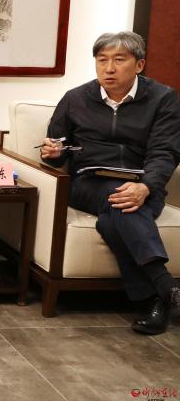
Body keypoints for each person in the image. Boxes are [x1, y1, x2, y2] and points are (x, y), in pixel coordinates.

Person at [41, 31, 180, 334]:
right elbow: (54, 150)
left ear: (139, 65)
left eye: (119, 60)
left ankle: (154, 300)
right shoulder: (75, 98)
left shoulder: (163, 98)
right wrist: (52, 153)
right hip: (88, 183)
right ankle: (167, 286)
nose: (109, 68)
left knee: (112, 220)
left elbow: (165, 152)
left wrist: (146, 186)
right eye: (102, 60)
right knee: (120, 199)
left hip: (143, 184)